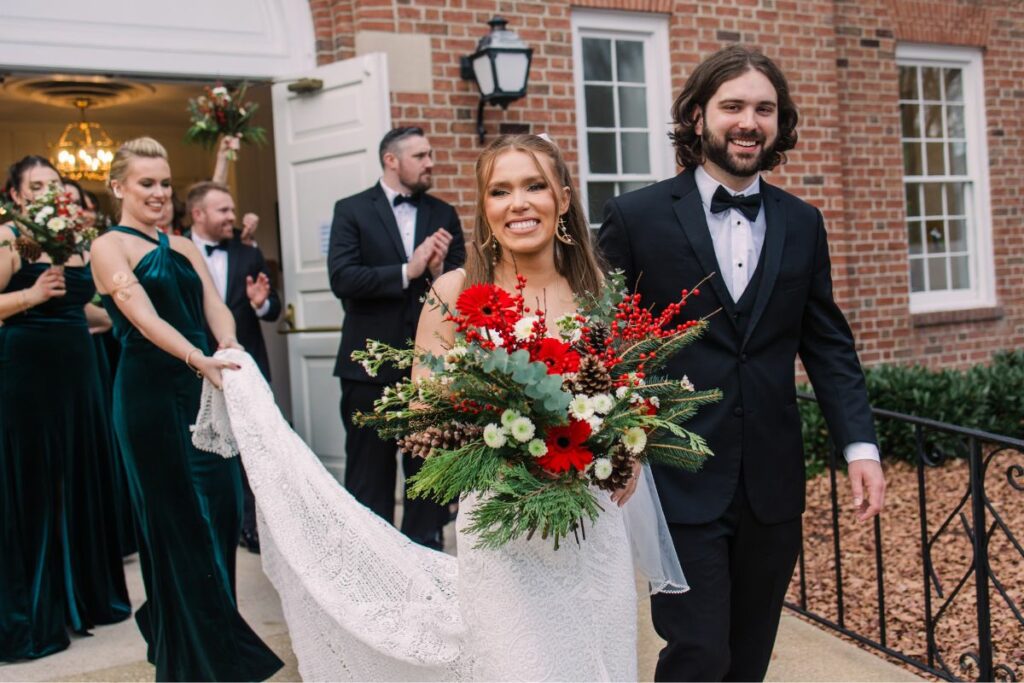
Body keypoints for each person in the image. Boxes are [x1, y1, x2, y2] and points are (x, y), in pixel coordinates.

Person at [191, 133, 680, 680]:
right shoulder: (454, 290)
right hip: (501, 519)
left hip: (588, 520)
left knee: (595, 649)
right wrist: (506, 422)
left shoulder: (597, 292)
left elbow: (624, 392)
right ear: (484, 208)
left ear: (563, 199)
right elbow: (425, 401)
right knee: (516, 659)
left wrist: (626, 449)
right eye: (499, 191)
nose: (517, 203)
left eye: (534, 186)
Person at [599, 45, 887, 681]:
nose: (748, 121)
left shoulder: (804, 223)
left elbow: (828, 342)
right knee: (701, 651)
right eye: (732, 106)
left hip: (771, 483)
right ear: (698, 116)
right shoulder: (636, 217)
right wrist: (613, 442)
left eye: (764, 108)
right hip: (676, 474)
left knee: (749, 655)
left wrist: (860, 448)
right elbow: (604, 341)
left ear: (780, 123)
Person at [89, 137, 283, 681]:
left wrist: (228, 344)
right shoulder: (109, 247)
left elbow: (214, 305)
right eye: (146, 183)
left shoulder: (184, 246)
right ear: (118, 187)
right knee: (176, 523)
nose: (157, 193)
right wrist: (197, 356)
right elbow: (140, 314)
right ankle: (193, 658)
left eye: (164, 183)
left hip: (206, 386)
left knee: (219, 512)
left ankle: (215, 638)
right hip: (150, 398)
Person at [0, 157, 130, 661]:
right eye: (35, 186)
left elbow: (84, 306)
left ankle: (85, 596)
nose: (47, 193)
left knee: (79, 474)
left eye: (54, 185)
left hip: (79, 373)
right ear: (15, 195)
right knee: (35, 480)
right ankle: (35, 607)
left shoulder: (75, 241)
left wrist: (130, 316)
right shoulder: (11, 237)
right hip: (26, 375)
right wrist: (31, 295)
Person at [328, 126, 466, 549]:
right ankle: (373, 562)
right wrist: (409, 269)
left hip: (431, 368)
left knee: (429, 475)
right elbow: (343, 278)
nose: (430, 163)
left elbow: (465, 284)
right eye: (421, 155)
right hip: (368, 369)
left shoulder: (443, 212)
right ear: (392, 160)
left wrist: (440, 272)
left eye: (430, 154)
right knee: (369, 475)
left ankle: (425, 558)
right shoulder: (351, 210)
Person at [187, 179, 281, 552]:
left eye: (231, 209)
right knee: (204, 446)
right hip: (194, 363)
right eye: (223, 210)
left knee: (251, 445)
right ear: (198, 214)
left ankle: (251, 524)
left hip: (244, 362)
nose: (232, 216)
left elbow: (273, 308)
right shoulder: (174, 252)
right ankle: (208, 523)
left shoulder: (247, 254)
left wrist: (261, 303)